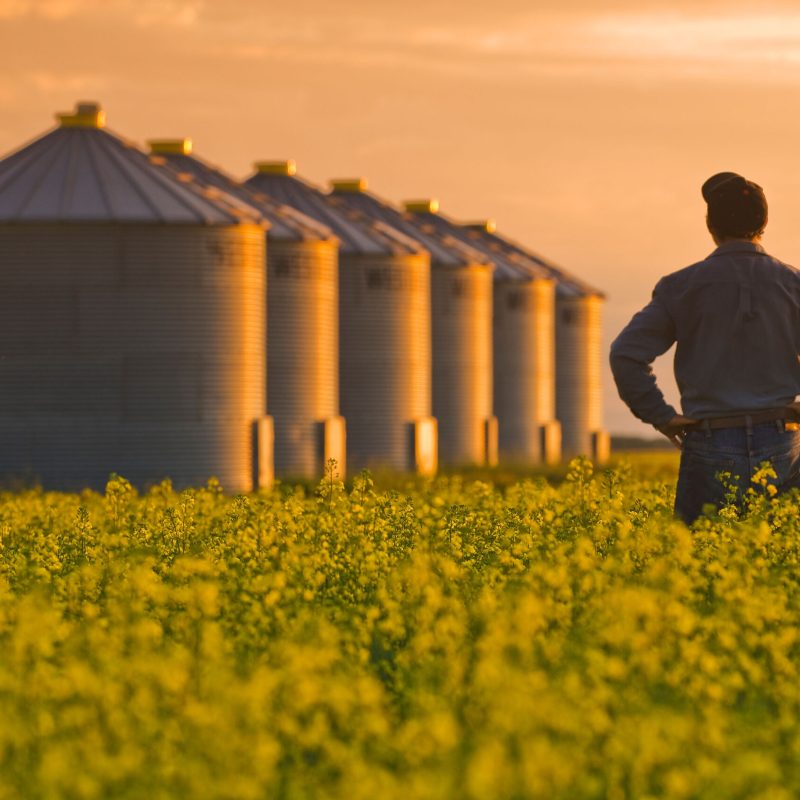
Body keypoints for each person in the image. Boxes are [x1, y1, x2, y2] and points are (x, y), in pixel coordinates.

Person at [610, 172, 800, 524]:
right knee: (783, 559)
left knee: (703, 559)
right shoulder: (793, 284)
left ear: (710, 224)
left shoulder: (681, 287)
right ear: (765, 222)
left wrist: (662, 417)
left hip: (710, 440)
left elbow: (625, 355)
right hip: (782, 442)